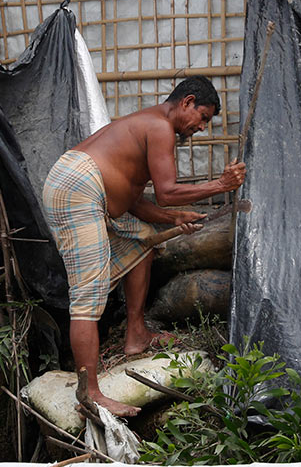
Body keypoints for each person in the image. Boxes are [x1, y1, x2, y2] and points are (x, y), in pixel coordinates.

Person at [41, 75, 247, 417]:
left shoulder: (152, 127)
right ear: (187, 102)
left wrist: (173, 217)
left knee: (144, 243)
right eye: (203, 117)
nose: (202, 127)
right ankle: (90, 394)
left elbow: (135, 199)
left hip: (91, 189)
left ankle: (136, 333)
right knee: (88, 296)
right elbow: (166, 191)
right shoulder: (160, 127)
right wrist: (220, 184)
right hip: (78, 188)